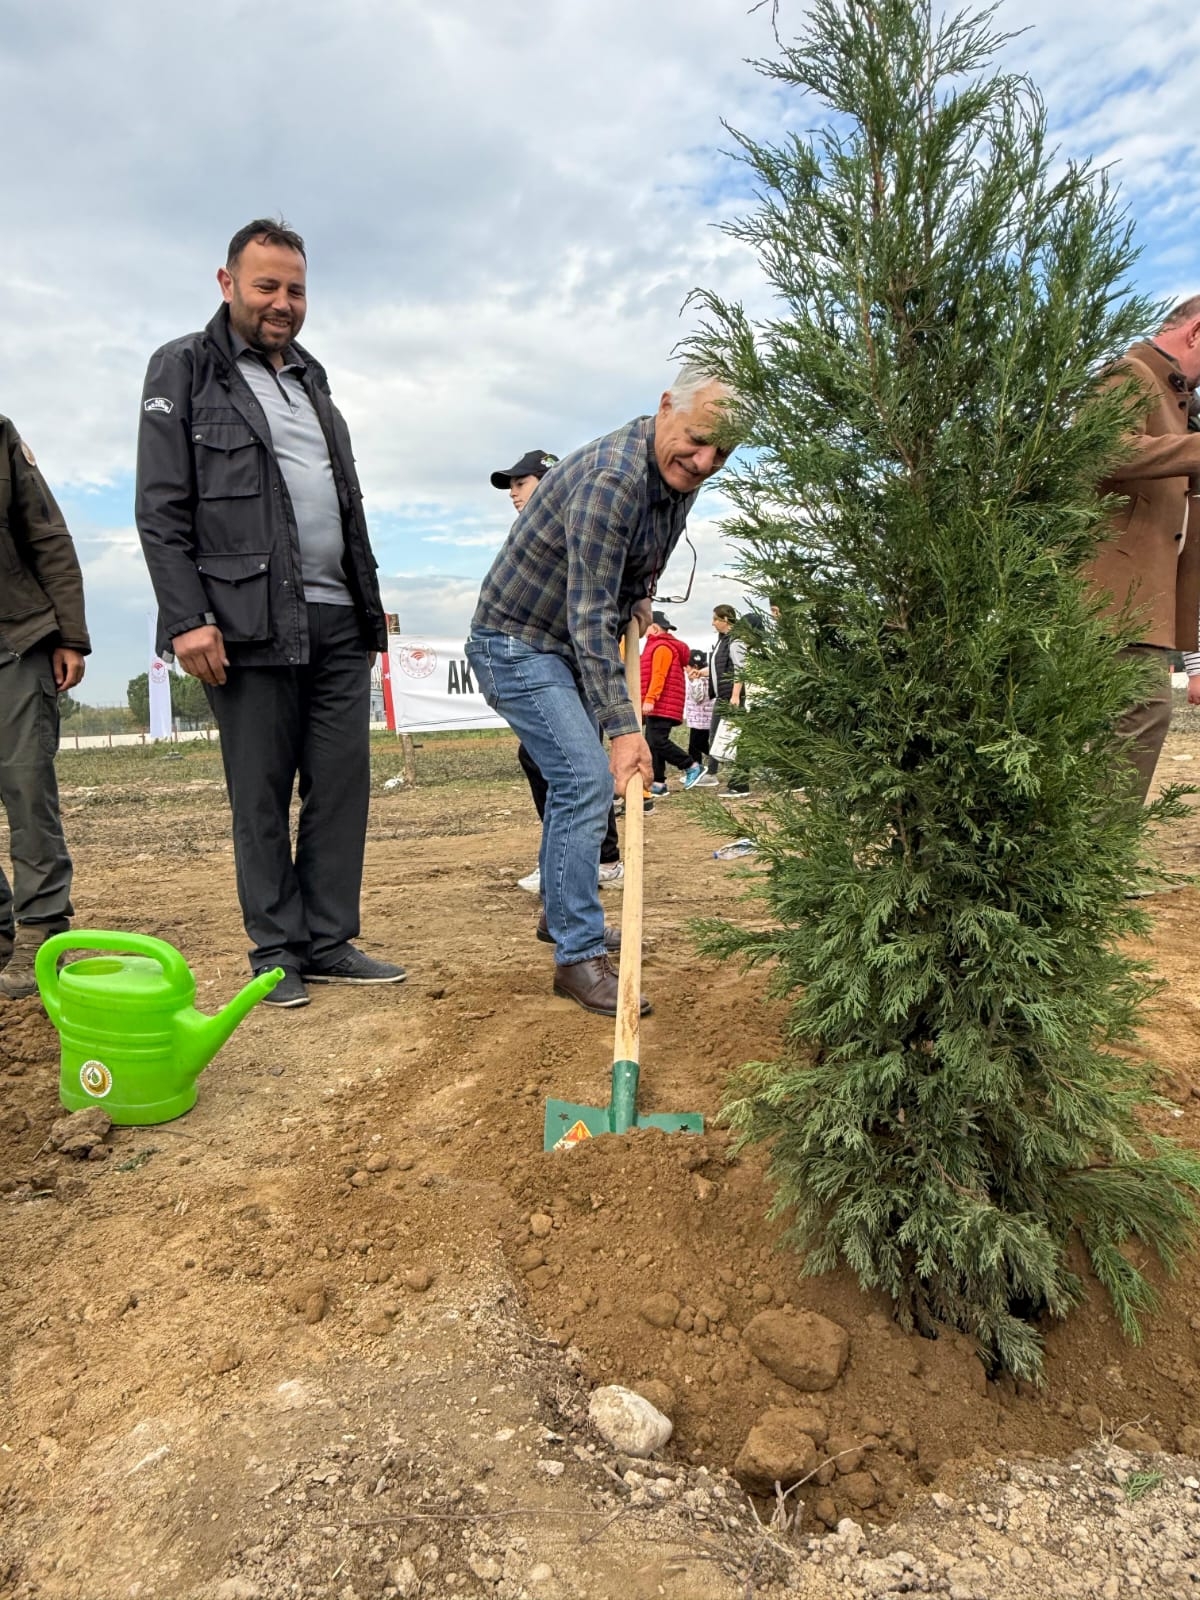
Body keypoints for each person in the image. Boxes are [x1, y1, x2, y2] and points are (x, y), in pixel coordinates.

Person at [135, 218, 404, 1009]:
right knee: (260, 790)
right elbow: (160, 508)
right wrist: (187, 617)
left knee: (342, 783)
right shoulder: (184, 369)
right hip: (242, 623)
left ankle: (328, 939)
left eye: (295, 289)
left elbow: (341, 503)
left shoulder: (313, 381)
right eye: (266, 286)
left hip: (336, 615)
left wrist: (369, 603)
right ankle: (276, 951)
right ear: (227, 284)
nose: (282, 303)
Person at [466, 363, 736, 1016]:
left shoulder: (678, 475)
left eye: (720, 453)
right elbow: (588, 616)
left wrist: (641, 596)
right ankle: (578, 956)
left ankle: (563, 919)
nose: (702, 462)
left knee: (572, 780)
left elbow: (651, 555)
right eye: (696, 439)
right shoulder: (612, 480)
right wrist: (623, 731)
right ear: (666, 405)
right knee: (587, 777)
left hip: (562, 643)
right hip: (518, 642)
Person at [489, 449, 623, 895]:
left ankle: (593, 859)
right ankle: (575, 860)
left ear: (549, 482)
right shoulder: (533, 531)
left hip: (572, 655)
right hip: (549, 653)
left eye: (521, 483)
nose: (513, 492)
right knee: (563, 763)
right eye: (511, 484)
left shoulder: (575, 520)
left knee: (577, 767)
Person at [1087, 297, 1200, 799]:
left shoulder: (1180, 411)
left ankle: (1085, 862)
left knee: (1126, 719)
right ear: (1196, 333)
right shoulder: (1131, 373)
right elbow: (1104, 447)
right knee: (1143, 710)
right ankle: (1091, 865)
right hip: (1113, 599)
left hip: (1143, 606)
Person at [0, 417, 90, 1000]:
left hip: (15, 640)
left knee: (27, 787)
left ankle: (40, 928)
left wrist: (70, 635)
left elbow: (48, 536)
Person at [684, 604, 746, 789]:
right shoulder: (722, 640)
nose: (713, 623)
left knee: (734, 737)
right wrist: (701, 673)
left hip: (731, 697)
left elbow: (740, 669)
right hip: (722, 696)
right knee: (715, 736)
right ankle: (712, 773)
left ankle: (738, 777)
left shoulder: (735, 640)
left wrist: (735, 695)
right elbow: (716, 668)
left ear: (725, 619)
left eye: (715, 619)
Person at [639, 611, 695, 793]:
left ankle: (691, 765)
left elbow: (658, 676)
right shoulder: (657, 646)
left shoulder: (661, 647)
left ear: (654, 628)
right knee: (652, 742)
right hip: (662, 705)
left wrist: (650, 699)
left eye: (646, 629)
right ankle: (658, 782)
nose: (644, 634)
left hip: (662, 704)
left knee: (657, 742)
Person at [683, 648, 715, 769]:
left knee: (698, 745)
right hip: (702, 720)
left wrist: (693, 681)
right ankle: (698, 768)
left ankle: (702, 767)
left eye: (687, 666)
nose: (685, 670)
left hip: (701, 721)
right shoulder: (710, 678)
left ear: (695, 666)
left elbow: (698, 697)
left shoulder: (699, 680)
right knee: (695, 746)